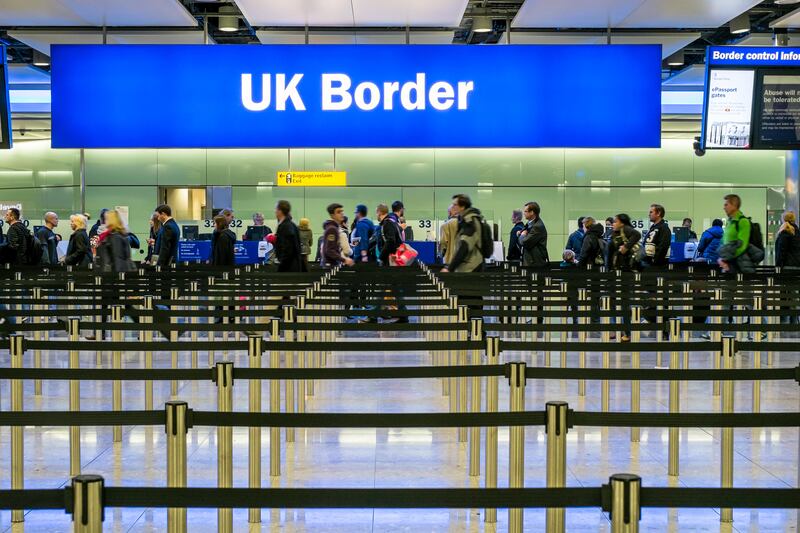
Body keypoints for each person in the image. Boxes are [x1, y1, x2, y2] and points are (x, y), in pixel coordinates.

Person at [718, 194, 762, 274]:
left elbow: (742, 246)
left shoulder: (743, 222)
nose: (724, 207)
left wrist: (725, 259)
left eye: (726, 204)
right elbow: (722, 242)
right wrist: (721, 258)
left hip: (740, 266)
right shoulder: (730, 222)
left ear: (734, 205)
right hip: (729, 265)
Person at [441, 194, 484, 273]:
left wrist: (450, 268)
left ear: (462, 207)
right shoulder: (465, 221)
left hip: (469, 267)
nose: (452, 206)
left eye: (455, 205)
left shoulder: (469, 222)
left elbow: (464, 246)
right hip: (466, 264)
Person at [273, 200, 304, 272]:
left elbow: (288, 248)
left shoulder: (286, 226)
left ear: (280, 211)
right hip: (292, 265)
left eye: (276, 209)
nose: (275, 211)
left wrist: (281, 265)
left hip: (289, 267)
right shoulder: (291, 224)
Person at [640, 204, 671, 269]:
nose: (649, 214)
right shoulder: (653, 227)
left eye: (651, 212)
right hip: (648, 262)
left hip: (656, 265)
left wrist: (655, 261)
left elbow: (663, 246)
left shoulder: (664, 228)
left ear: (658, 213)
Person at [519, 201, 548, 268]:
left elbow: (525, 242)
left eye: (525, 211)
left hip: (534, 263)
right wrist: (521, 233)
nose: (524, 213)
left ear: (532, 212)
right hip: (531, 261)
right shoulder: (530, 223)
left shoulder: (537, 226)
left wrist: (522, 235)